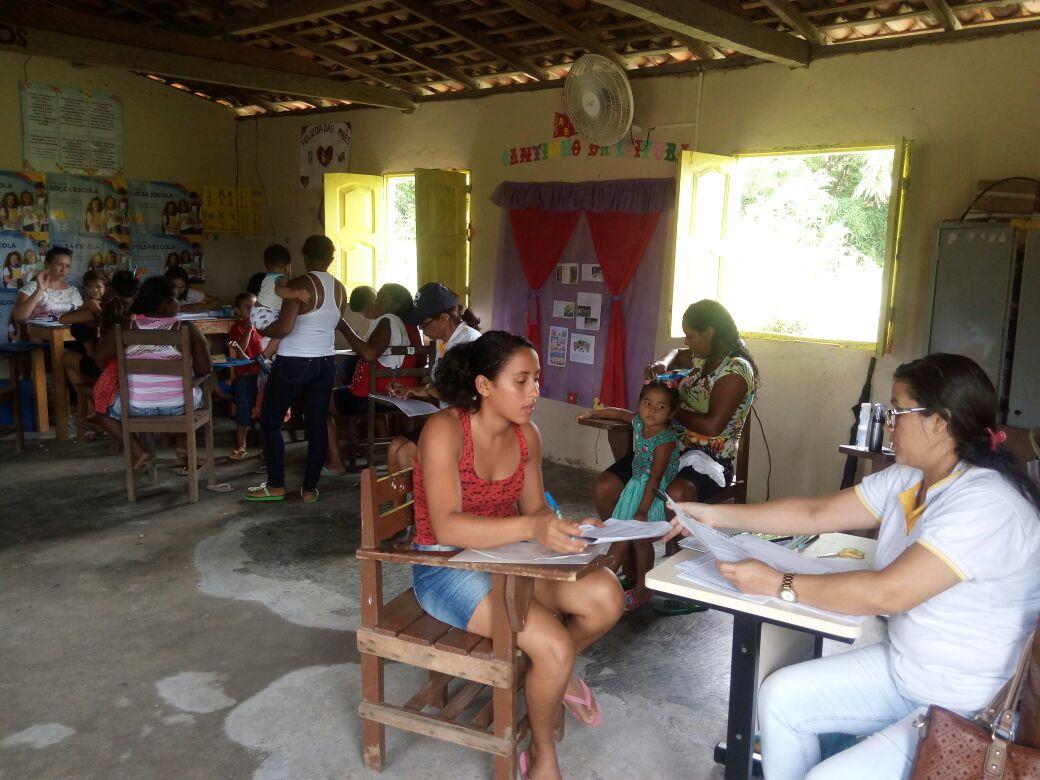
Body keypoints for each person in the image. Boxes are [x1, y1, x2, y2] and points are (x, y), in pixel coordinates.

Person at [663, 352, 1040, 780]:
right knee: (780, 698)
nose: (889, 424)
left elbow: (888, 592)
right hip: (908, 670)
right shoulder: (912, 478)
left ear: (939, 422)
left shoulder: (987, 502)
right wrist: (717, 515)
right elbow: (813, 513)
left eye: (897, 411)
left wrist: (779, 583)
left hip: (968, 705)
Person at [413, 331, 624, 780]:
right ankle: (542, 754)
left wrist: (566, 527)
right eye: (522, 381)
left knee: (607, 597)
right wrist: (533, 527)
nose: (535, 392)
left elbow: (535, 510)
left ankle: (556, 675)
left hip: (509, 555)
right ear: (484, 385)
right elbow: (448, 525)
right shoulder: (444, 431)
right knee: (552, 645)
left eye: (537, 380)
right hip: (446, 567)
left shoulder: (527, 436)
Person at [244, 235, 347, 504]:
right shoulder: (340, 289)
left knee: (270, 421)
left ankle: (276, 485)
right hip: (325, 362)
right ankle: (310, 489)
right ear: (331, 259)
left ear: (304, 256)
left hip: (294, 361)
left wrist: (262, 330)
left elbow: (285, 327)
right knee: (317, 424)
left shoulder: (301, 283)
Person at [576, 379, 681, 611]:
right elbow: (618, 413)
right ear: (639, 404)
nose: (652, 410)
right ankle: (600, 586)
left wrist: (643, 511)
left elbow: (655, 479)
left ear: (671, 412)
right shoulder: (637, 422)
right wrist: (592, 412)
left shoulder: (665, 441)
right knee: (620, 537)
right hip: (634, 487)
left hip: (652, 493)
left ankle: (643, 589)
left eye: (661, 407)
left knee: (641, 540)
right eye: (647, 403)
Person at [92, 276, 211, 471]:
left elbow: (99, 355)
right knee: (194, 390)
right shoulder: (186, 328)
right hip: (180, 407)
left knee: (101, 412)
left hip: (135, 406)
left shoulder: (124, 327)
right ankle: (184, 446)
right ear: (164, 303)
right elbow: (205, 370)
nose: (178, 303)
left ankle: (139, 451)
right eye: (174, 299)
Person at [324, 282, 421, 476]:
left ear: (396, 305)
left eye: (383, 298)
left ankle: (335, 461)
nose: (377, 301)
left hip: (372, 395)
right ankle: (379, 449)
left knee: (318, 400)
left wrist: (344, 327)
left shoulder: (388, 320)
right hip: (396, 394)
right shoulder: (405, 326)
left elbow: (369, 354)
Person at [385, 282, 482, 473]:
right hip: (447, 420)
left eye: (424, 323)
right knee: (394, 446)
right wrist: (414, 391)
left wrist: (427, 391)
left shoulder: (470, 342)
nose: (421, 329)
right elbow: (440, 384)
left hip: (469, 425)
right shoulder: (442, 342)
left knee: (406, 453)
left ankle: (425, 502)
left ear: (445, 318)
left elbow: (464, 392)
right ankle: (400, 504)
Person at [249, 244, 311, 355]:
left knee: (276, 332)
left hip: (257, 312)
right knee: (283, 331)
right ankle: (265, 356)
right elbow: (279, 290)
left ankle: (266, 352)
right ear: (288, 266)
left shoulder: (267, 277)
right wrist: (297, 294)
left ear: (267, 265)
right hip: (267, 313)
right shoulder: (282, 278)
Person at [226, 292, 263, 461]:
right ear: (237, 311)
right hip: (245, 376)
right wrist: (249, 328)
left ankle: (265, 446)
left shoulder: (263, 326)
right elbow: (240, 349)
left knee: (264, 410)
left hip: (261, 376)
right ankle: (241, 445)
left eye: (255, 306)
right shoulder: (237, 328)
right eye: (248, 308)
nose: (252, 311)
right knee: (243, 412)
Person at [59, 268, 109, 388]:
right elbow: (63, 319)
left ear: (106, 287)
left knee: (66, 357)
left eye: (98, 287)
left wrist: (93, 306)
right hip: (98, 357)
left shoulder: (107, 306)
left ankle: (87, 402)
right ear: (85, 288)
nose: (94, 290)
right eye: (90, 287)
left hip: (102, 361)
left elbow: (63, 319)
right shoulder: (87, 304)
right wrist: (87, 305)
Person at [12, 247, 83, 322]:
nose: (64, 270)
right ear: (46, 263)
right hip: (40, 332)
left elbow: (80, 318)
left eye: (67, 266)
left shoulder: (73, 291)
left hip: (68, 333)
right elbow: (19, 316)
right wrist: (39, 290)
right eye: (60, 264)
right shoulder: (32, 287)